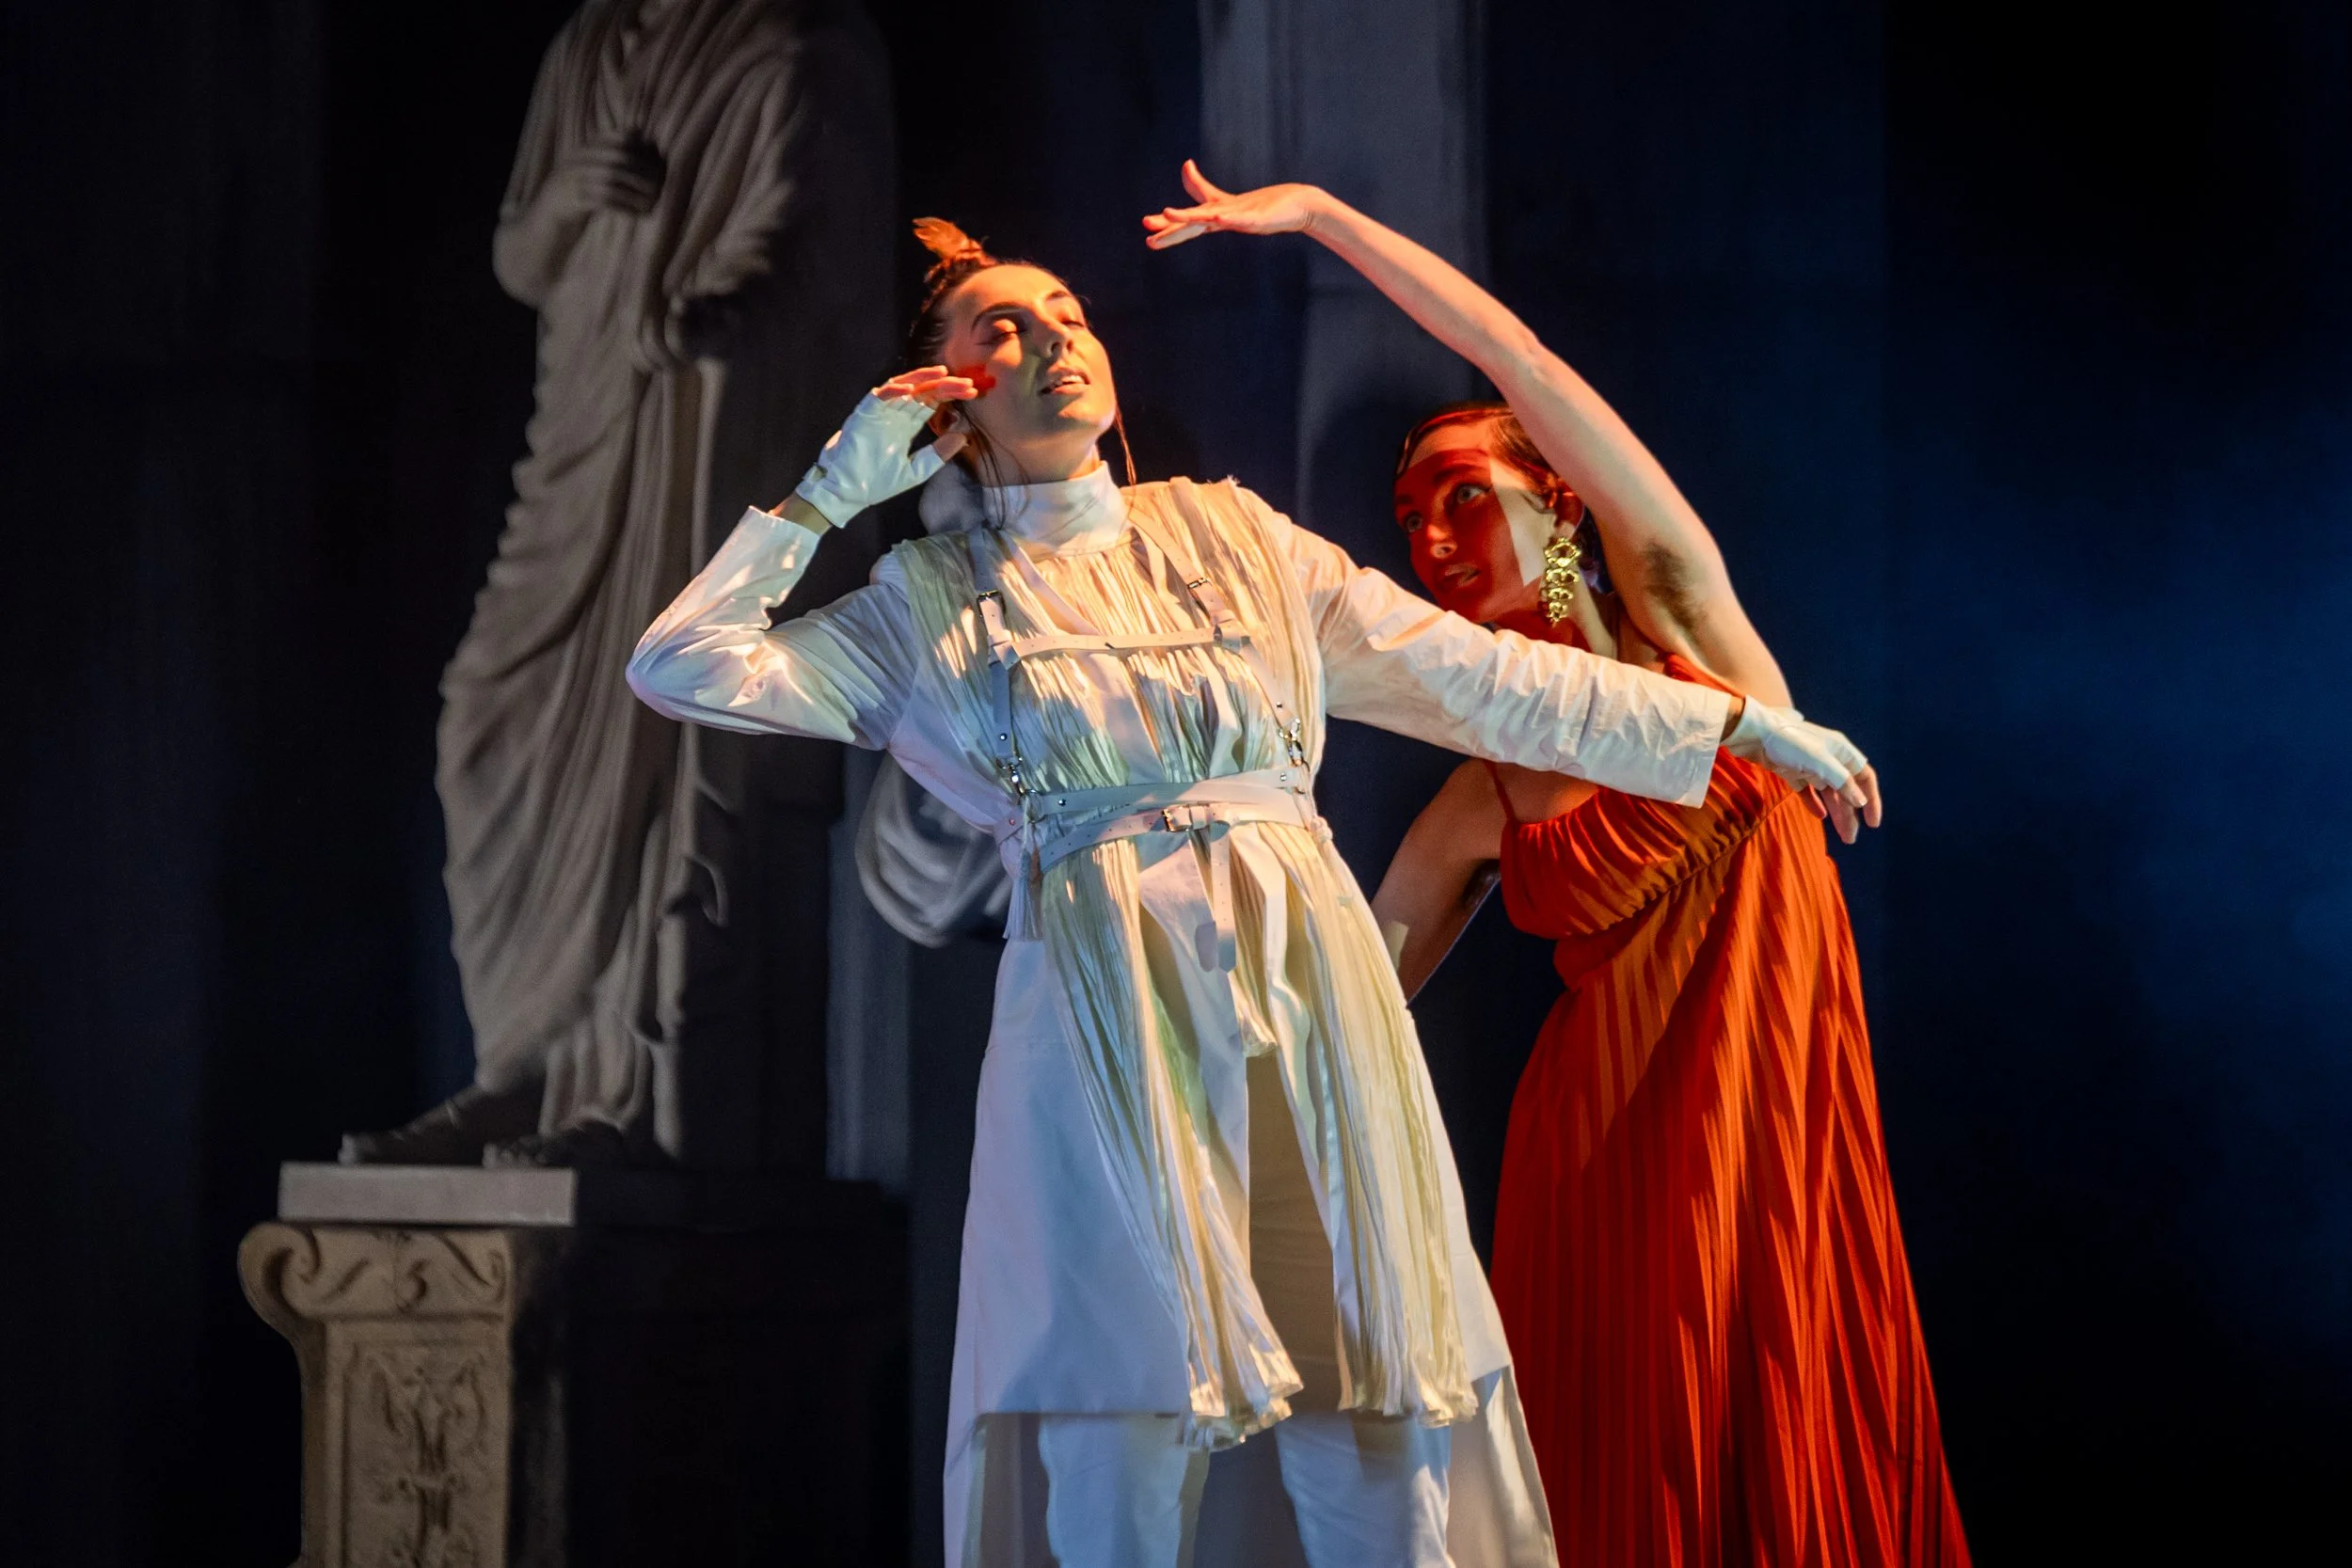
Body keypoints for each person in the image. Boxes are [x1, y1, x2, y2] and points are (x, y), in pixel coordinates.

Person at [628, 204, 1874, 1566]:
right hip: (1104, 1034)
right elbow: (683, 665)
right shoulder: (926, 603)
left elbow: (1492, 682)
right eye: (1004, 326)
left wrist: (1740, 725)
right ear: (944, 401)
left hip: (1310, 1006)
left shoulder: (1239, 539)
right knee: (1123, 1426)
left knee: (1376, 1405)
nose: (1055, 337)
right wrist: (830, 490)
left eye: (1069, 312)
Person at [1142, 164, 1963, 1562]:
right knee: (1609, 1462)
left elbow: (1516, 358)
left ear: (1565, 506)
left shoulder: (1682, 631)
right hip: (1597, 1154)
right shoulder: (1483, 792)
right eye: (1409, 522)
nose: (1434, 538)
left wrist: (1331, 224)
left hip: (1761, 1113)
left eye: (1464, 497)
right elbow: (1354, 985)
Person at [342, 0, 894, 1167]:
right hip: (584, 446)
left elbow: (812, 246)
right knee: (485, 721)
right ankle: (519, 1067)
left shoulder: (791, 49)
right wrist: (567, 200)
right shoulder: (584, 50)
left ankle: (637, 1097)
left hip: (696, 444)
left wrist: (721, 315)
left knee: (669, 741)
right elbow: (520, 258)